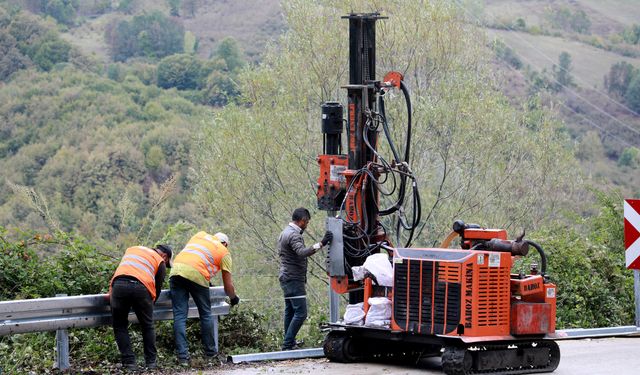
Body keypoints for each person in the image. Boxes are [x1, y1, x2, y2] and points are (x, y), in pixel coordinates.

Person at [169, 231, 239, 366]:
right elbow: (227, 286)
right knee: (206, 314)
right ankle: (210, 354)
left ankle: (182, 358)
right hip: (197, 274)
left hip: (176, 270)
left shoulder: (199, 235)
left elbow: (193, 257)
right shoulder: (224, 252)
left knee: (179, 315)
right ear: (225, 244)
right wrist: (233, 298)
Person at [109, 244, 173, 371]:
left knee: (120, 325)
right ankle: (151, 363)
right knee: (147, 325)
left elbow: (123, 269)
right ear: (165, 256)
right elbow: (157, 289)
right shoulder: (159, 261)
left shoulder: (132, 249)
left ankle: (129, 363)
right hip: (141, 288)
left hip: (119, 285)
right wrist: (148, 307)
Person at [278, 207, 333, 350]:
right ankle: (288, 343)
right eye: (307, 222)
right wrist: (321, 243)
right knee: (301, 313)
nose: (307, 225)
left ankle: (289, 342)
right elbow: (302, 252)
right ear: (302, 221)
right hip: (294, 279)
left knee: (290, 311)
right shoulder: (294, 235)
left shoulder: (284, 232)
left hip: (286, 277)